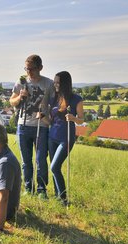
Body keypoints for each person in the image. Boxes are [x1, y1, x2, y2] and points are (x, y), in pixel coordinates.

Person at [9, 54, 54, 198]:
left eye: (32, 69)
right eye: (26, 69)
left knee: (40, 159)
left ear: (40, 68)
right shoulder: (21, 82)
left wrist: (47, 115)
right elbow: (12, 102)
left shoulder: (49, 84)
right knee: (26, 161)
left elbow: (54, 104)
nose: (29, 72)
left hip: (41, 126)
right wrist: (20, 97)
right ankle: (28, 188)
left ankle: (41, 190)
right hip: (23, 125)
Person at [48, 71, 84, 206]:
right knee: (54, 168)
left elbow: (81, 119)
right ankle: (57, 196)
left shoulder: (76, 99)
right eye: (54, 82)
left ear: (65, 84)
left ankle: (63, 199)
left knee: (54, 167)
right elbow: (51, 118)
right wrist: (42, 115)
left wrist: (74, 118)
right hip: (52, 137)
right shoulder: (54, 98)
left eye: (58, 82)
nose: (55, 85)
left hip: (66, 138)